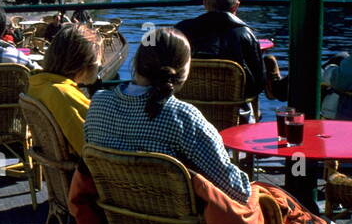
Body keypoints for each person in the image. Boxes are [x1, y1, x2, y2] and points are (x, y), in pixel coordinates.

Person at [84, 27, 251, 202]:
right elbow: (237, 192)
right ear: (184, 70)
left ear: (136, 62)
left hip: (116, 221)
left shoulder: (98, 104)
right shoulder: (184, 118)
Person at [174, 0, 266, 98]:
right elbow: (259, 83)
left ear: (205, 3)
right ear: (236, 6)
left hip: (188, 100)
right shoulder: (245, 34)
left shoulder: (181, 29)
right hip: (233, 104)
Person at [27, 24, 101, 153]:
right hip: (88, 169)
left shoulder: (37, 83)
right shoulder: (64, 95)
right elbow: (89, 150)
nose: (99, 64)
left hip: (57, 165)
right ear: (84, 63)